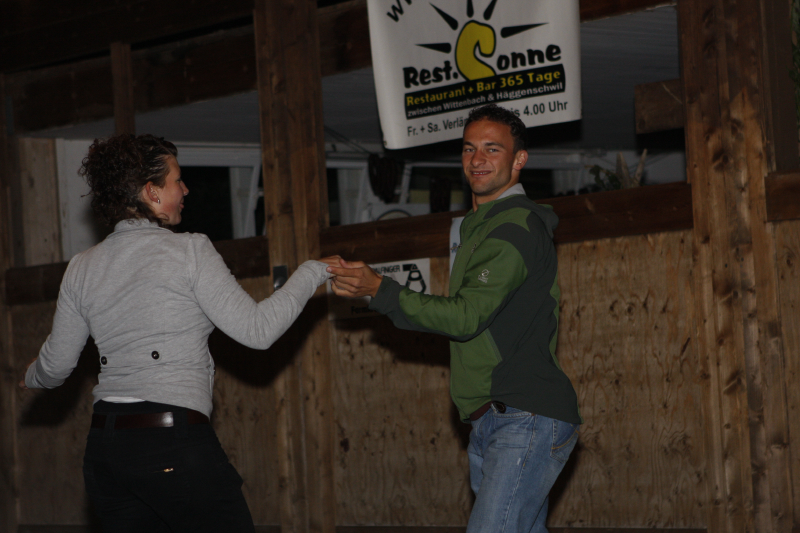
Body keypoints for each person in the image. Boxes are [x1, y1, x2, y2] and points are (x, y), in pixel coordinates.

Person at [19, 133, 337, 533]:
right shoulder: (189, 251)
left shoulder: (82, 266)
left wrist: (32, 375)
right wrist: (314, 271)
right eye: (177, 180)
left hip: (107, 450)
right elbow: (258, 331)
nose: (185, 189)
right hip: (171, 443)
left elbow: (56, 366)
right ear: (151, 191)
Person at [327, 104, 581, 532]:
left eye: (492, 149)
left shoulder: (514, 228)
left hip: (524, 418)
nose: (477, 159)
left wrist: (381, 290)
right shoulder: (479, 226)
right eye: (468, 148)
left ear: (519, 159)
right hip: (494, 420)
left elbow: (465, 317)